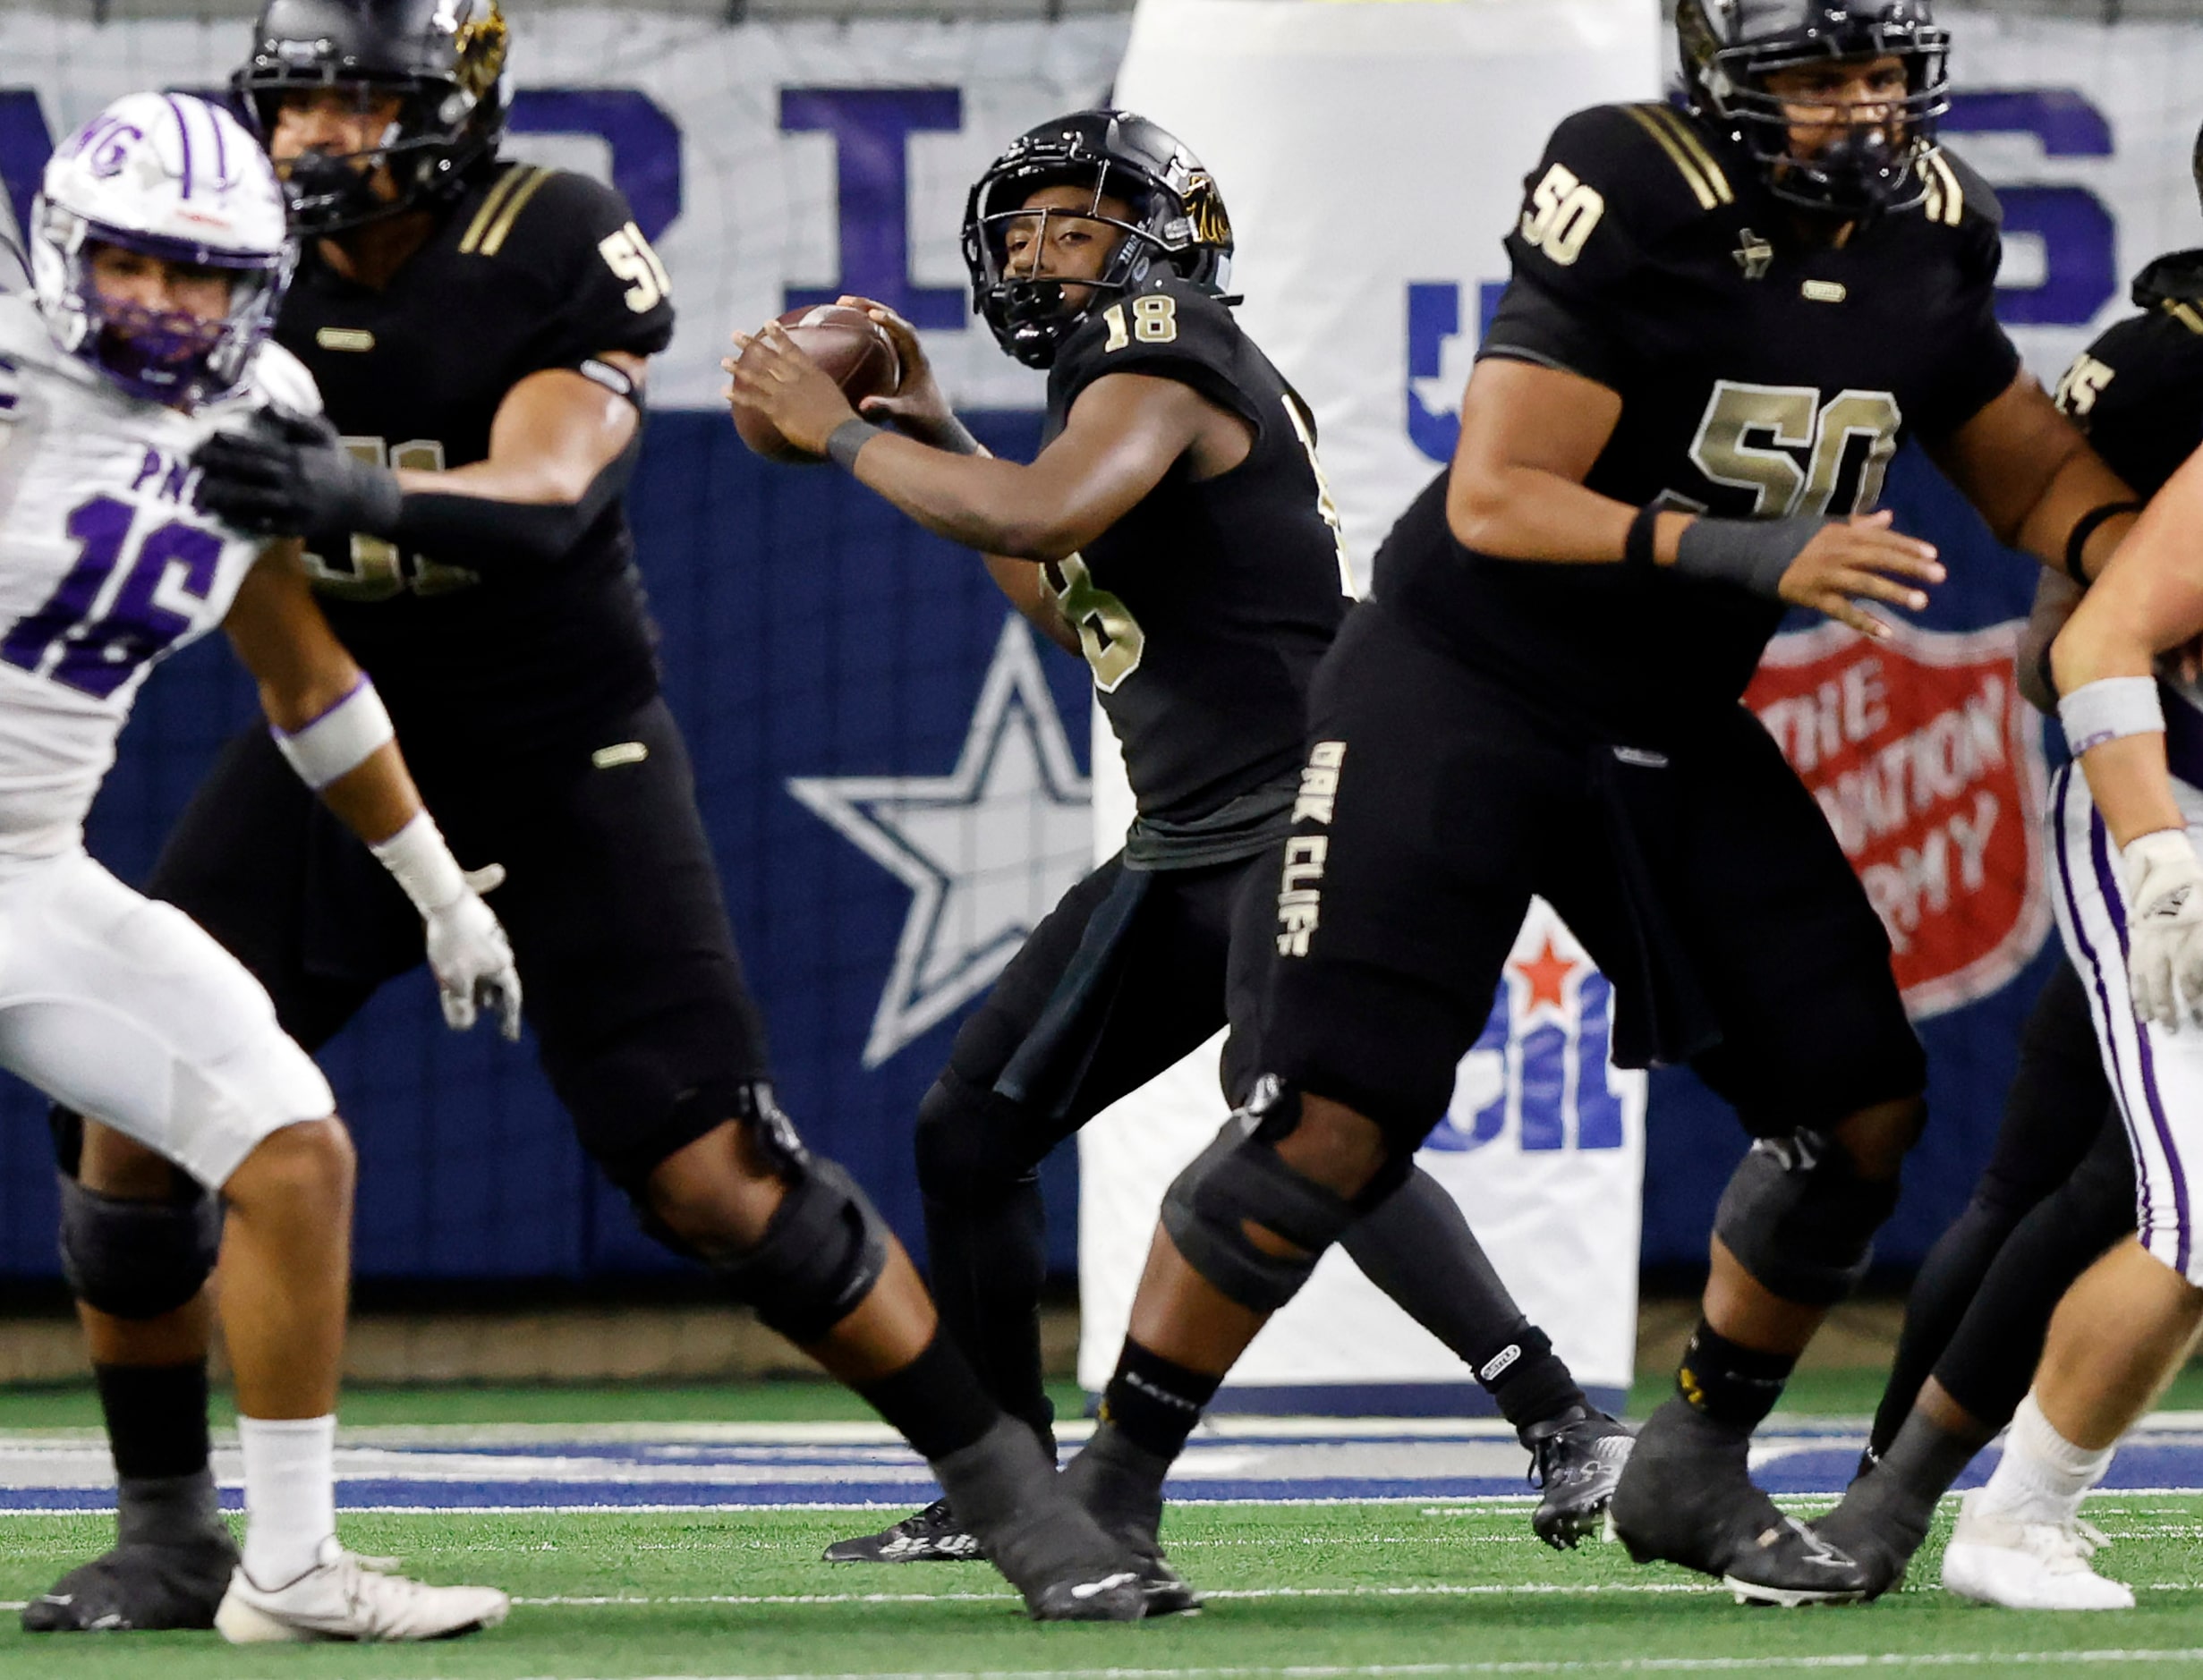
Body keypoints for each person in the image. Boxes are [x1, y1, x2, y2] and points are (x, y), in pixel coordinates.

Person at [27, 0, 1144, 1633]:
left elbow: (551, 496)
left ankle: (1009, 1490)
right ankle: (172, 1524)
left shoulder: (551, 234)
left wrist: (362, 490)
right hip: (334, 732)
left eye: (361, 99)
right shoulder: (220, 273)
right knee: (128, 1123)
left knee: (715, 1176)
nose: (320, 135)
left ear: (455, 98)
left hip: (560, 747)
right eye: (299, 102)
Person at [1038, 0, 2149, 1609]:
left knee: (1856, 1109)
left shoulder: (1932, 231)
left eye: (1877, 73)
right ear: (1722, 73)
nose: (1854, 109)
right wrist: (1751, 552)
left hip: (1661, 712)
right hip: (1459, 683)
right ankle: (1110, 1488)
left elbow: (2035, 478)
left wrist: (2144, 556)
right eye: (1812, 77)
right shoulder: (1634, 176)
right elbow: (1497, 495)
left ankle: (1690, 1462)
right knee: (1327, 1113)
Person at [726, 110, 1632, 1603]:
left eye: (1071, 229)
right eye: (1015, 237)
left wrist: (841, 429)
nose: (1036, 258)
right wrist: (942, 431)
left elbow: (1046, 507)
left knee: (1295, 1120)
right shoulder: (1124, 380)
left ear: (1159, 241)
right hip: (1190, 832)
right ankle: (1001, 1481)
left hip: (1307, 808)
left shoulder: (1163, 340)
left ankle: (1561, 1419)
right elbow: (1064, 585)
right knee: (969, 1132)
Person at [4, 89, 518, 1642]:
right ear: (64, 256)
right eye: (131, 269)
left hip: (26, 867)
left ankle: (287, 1568)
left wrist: (436, 890)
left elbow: (304, 678)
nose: (162, 305)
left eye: (200, 276)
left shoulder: (263, 412)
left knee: (294, 1149)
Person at [1799, 207, 2203, 1593]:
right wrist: (2158, 852)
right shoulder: (2167, 364)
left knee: (2080, 1176)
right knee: (2102, 1184)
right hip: (2164, 816)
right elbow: (2068, 646)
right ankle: (1916, 1499)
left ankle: (1898, 1498)